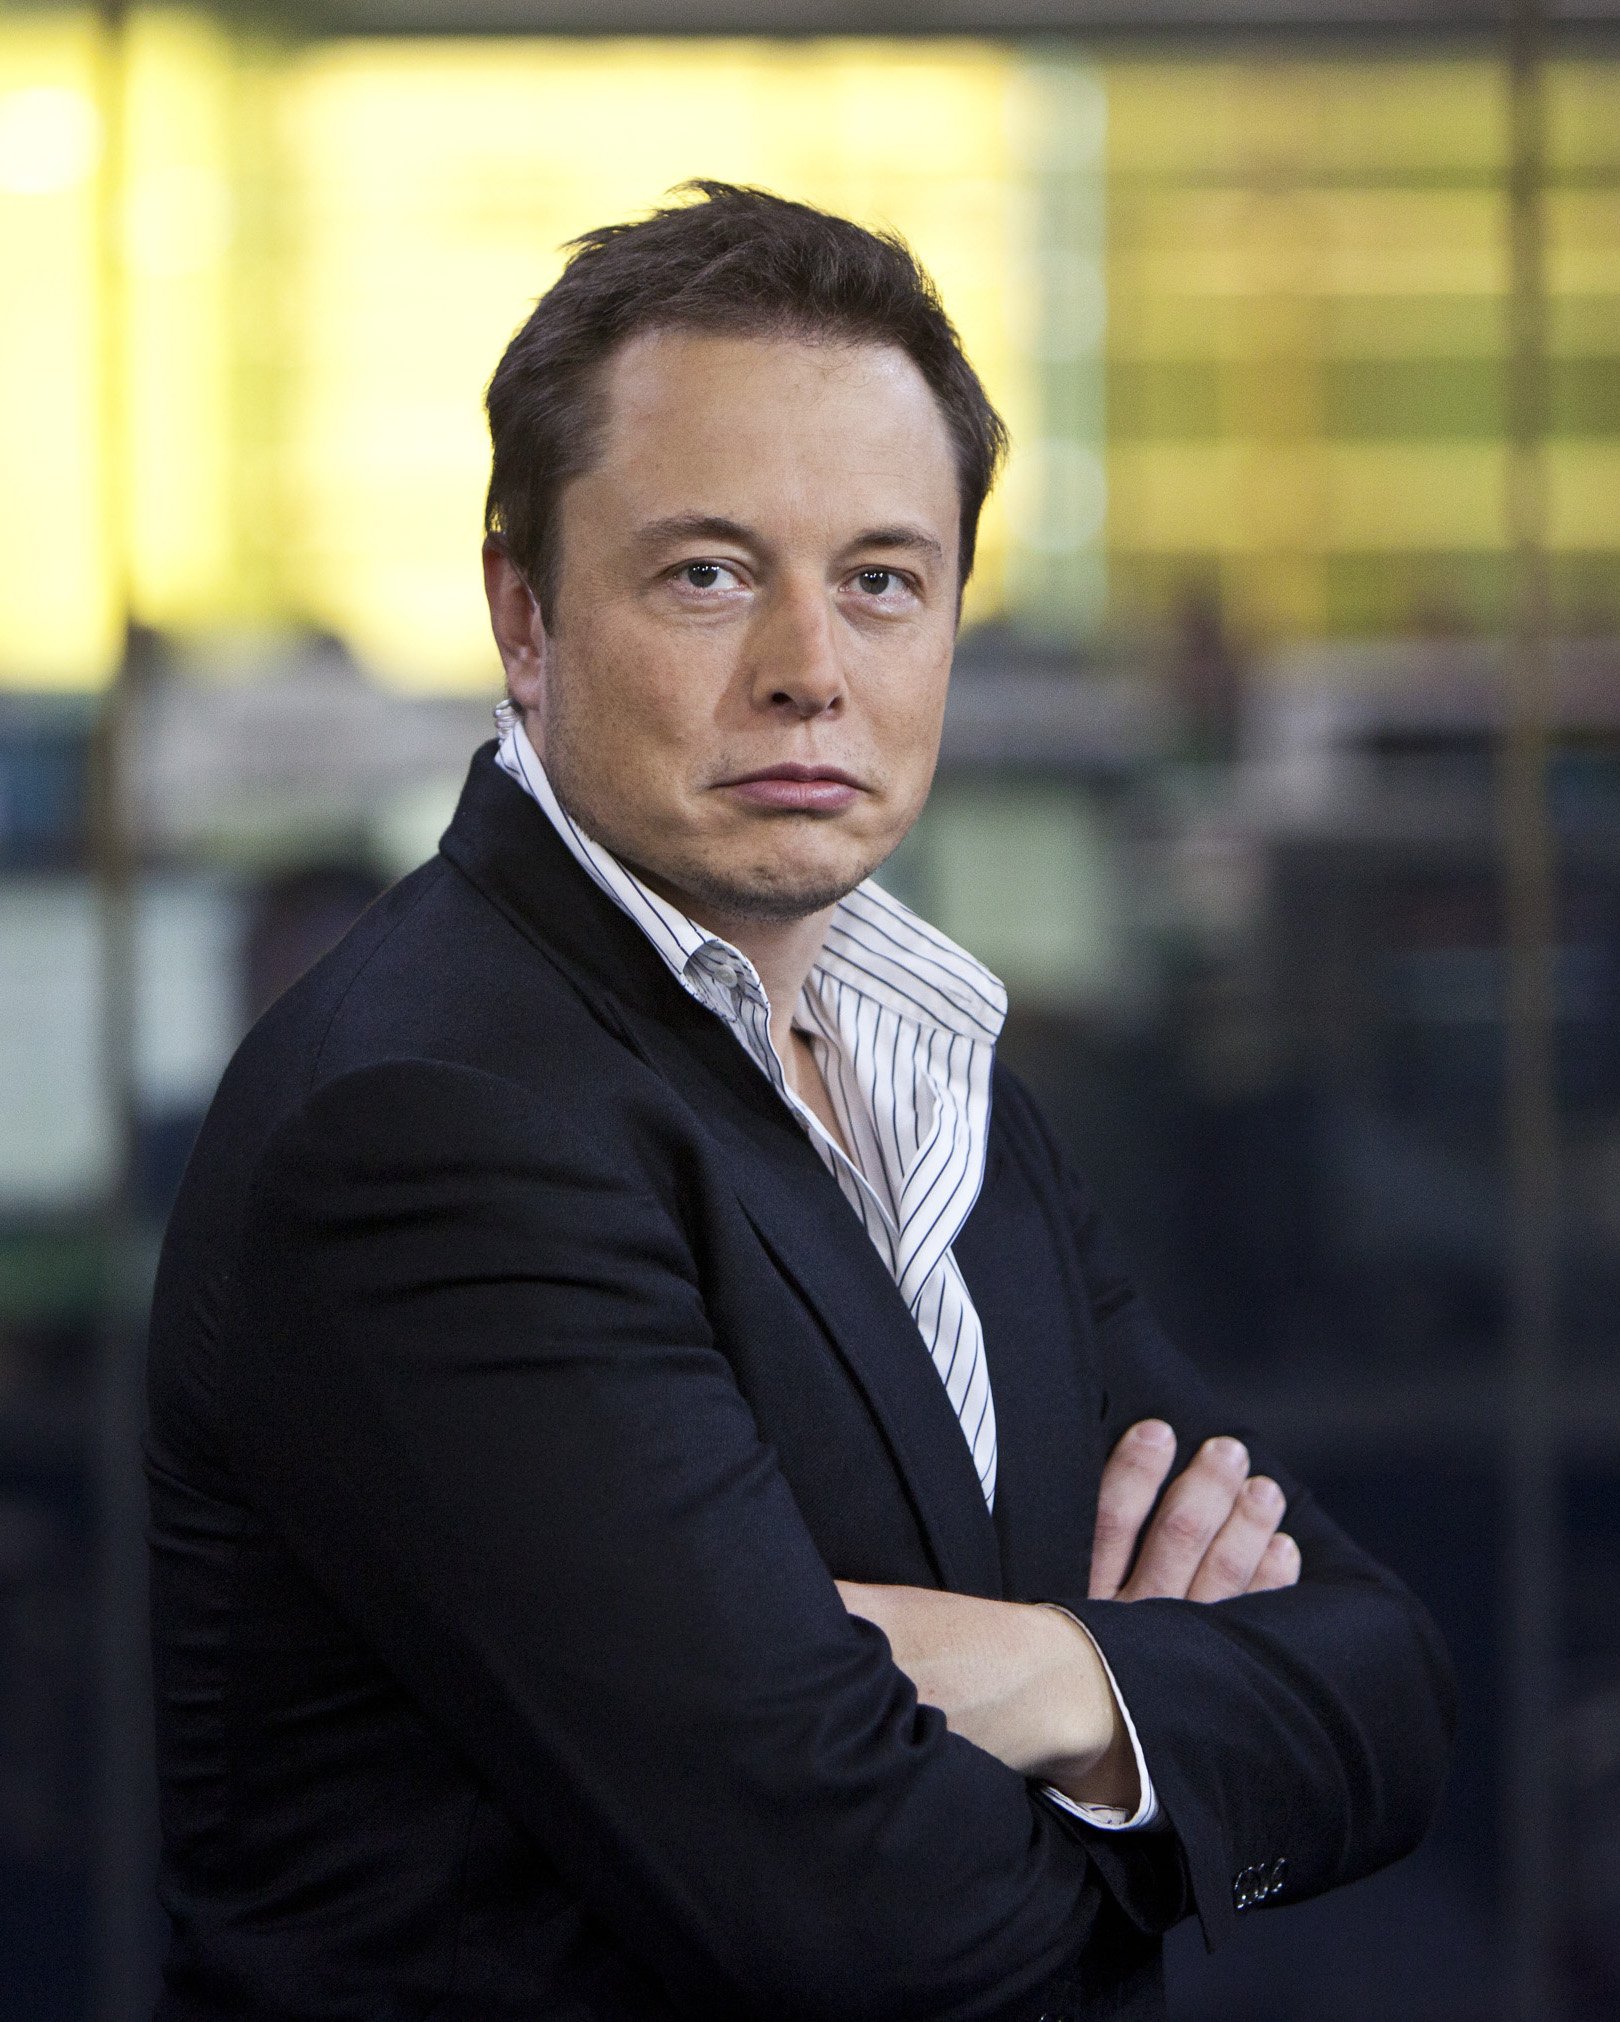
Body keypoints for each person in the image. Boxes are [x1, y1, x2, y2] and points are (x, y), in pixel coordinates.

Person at [145, 182, 1454, 2022]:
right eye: (706, 572)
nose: (808, 670)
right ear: (525, 615)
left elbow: (1386, 1677)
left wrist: (1030, 1672)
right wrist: (1155, 1692)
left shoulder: (936, 1071)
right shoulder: (434, 1121)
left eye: (881, 580)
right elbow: (868, 1929)